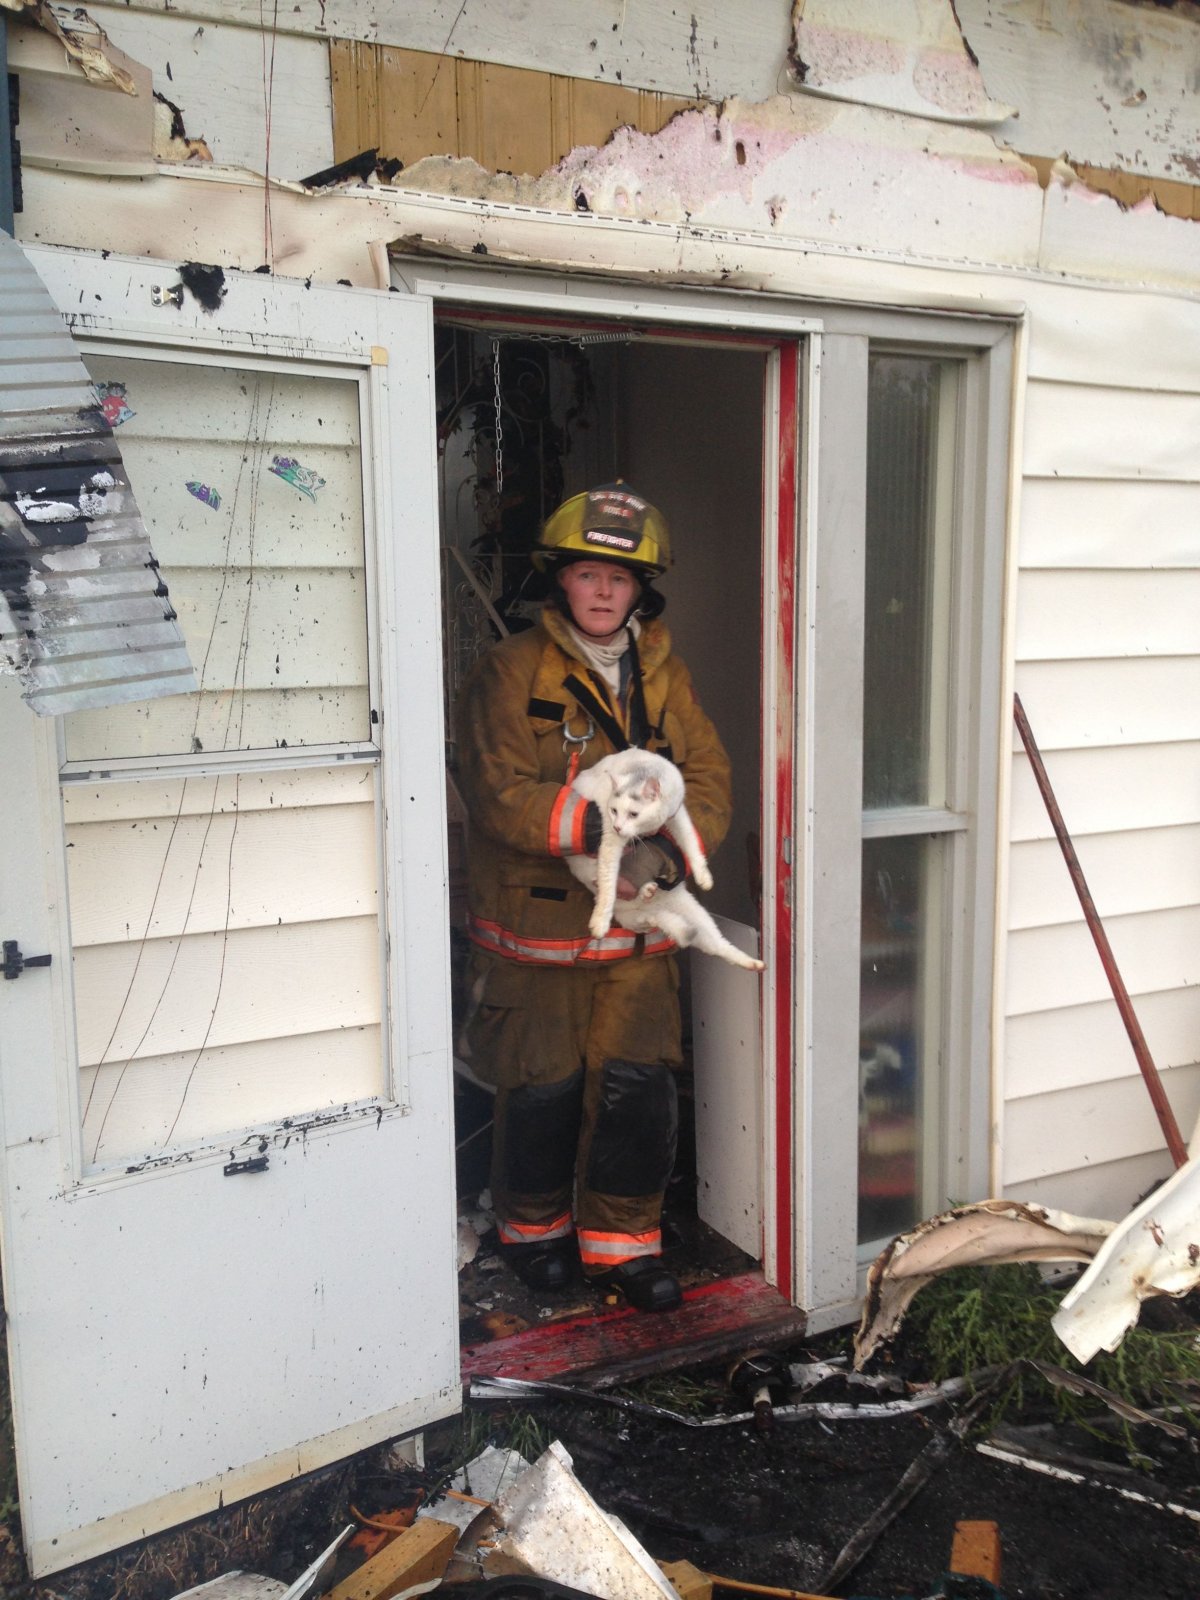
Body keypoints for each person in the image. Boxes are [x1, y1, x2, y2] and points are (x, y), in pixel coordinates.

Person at [456, 482, 733, 1313]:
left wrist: (677, 855)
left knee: (636, 1091)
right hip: (540, 934)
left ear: (642, 588)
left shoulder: (667, 673)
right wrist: (606, 827)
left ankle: (624, 1245)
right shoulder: (507, 673)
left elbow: (709, 779)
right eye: (586, 574)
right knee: (541, 1089)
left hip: (642, 935)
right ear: (560, 582)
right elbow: (499, 791)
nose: (604, 591)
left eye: (620, 578)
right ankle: (533, 1233)